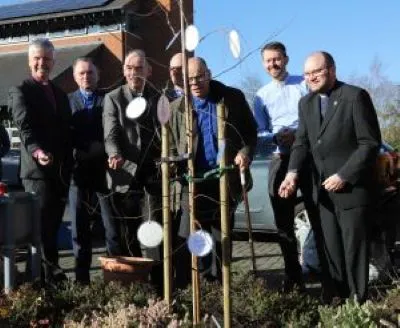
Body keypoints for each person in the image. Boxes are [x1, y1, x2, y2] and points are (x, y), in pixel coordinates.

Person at [279, 51, 381, 303]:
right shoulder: (306, 104)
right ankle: (337, 300)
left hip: (351, 191)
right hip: (321, 193)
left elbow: (369, 143)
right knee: (330, 250)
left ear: (332, 70)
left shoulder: (354, 97)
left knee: (353, 250)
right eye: (307, 74)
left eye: (316, 71)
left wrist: (344, 174)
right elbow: (301, 143)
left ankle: (358, 304)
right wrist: (292, 174)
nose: (311, 77)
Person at [169, 57, 257, 286]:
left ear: (209, 73)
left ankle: (221, 285)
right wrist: (172, 164)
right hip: (192, 181)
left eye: (199, 76)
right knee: (191, 235)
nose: (195, 82)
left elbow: (250, 131)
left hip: (224, 178)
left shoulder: (232, 97)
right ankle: (194, 285)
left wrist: (245, 152)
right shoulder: (177, 107)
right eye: (190, 79)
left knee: (221, 236)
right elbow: (169, 144)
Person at [253, 41, 323, 291]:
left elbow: (319, 119)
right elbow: (258, 132)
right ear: (263, 64)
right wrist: (275, 137)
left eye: (277, 59)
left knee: (318, 215)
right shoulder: (261, 95)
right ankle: (293, 278)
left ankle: (326, 275)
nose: (273, 64)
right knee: (283, 224)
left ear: (286, 59)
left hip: (309, 158)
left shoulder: (304, 85)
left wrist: (298, 134)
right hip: (279, 159)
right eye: (268, 60)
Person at [9, 38, 73, 284]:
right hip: (37, 173)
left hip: (59, 173)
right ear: (29, 61)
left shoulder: (60, 94)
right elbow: (24, 128)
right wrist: (37, 152)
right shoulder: (21, 91)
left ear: (54, 62)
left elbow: (67, 131)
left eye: (46, 59)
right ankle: (43, 281)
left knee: (52, 230)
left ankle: (44, 280)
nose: (41, 63)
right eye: (37, 58)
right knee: (40, 231)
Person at [103, 49, 163, 293]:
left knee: (154, 230)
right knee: (127, 234)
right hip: (126, 173)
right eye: (129, 68)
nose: (133, 73)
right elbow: (111, 132)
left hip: (154, 173)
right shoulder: (114, 97)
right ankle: (134, 289)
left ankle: (160, 287)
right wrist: (114, 153)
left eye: (138, 68)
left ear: (149, 71)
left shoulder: (159, 96)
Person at [68, 57, 121, 284]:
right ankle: (82, 282)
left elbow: (115, 131)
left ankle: (114, 279)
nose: (86, 77)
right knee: (79, 230)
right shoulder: (67, 101)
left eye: (90, 73)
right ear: (74, 76)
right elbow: (62, 135)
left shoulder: (108, 99)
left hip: (104, 172)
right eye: (81, 73)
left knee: (111, 227)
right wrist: (74, 154)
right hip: (77, 173)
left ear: (97, 75)